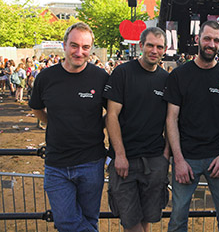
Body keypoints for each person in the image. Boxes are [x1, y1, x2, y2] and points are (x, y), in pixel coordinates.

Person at [29, 22, 109, 232]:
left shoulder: (100, 78)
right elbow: (37, 108)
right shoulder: (46, 77)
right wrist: (54, 122)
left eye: (85, 47)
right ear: (64, 45)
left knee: (89, 219)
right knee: (65, 221)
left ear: (91, 48)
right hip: (56, 164)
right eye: (74, 45)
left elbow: (113, 112)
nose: (79, 52)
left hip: (91, 162)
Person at [164, 20, 219, 232]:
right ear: (197, 39)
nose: (211, 44)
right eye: (207, 38)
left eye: (216, 40)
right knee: (177, 219)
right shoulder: (179, 75)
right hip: (186, 158)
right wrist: (178, 160)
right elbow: (171, 118)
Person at [104, 27, 170, 232]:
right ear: (141, 46)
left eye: (159, 47)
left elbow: (171, 120)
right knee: (131, 222)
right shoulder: (123, 73)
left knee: (146, 220)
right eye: (150, 45)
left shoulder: (166, 80)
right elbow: (111, 115)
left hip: (154, 160)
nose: (154, 50)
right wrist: (120, 155)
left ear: (165, 50)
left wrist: (165, 155)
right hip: (126, 161)